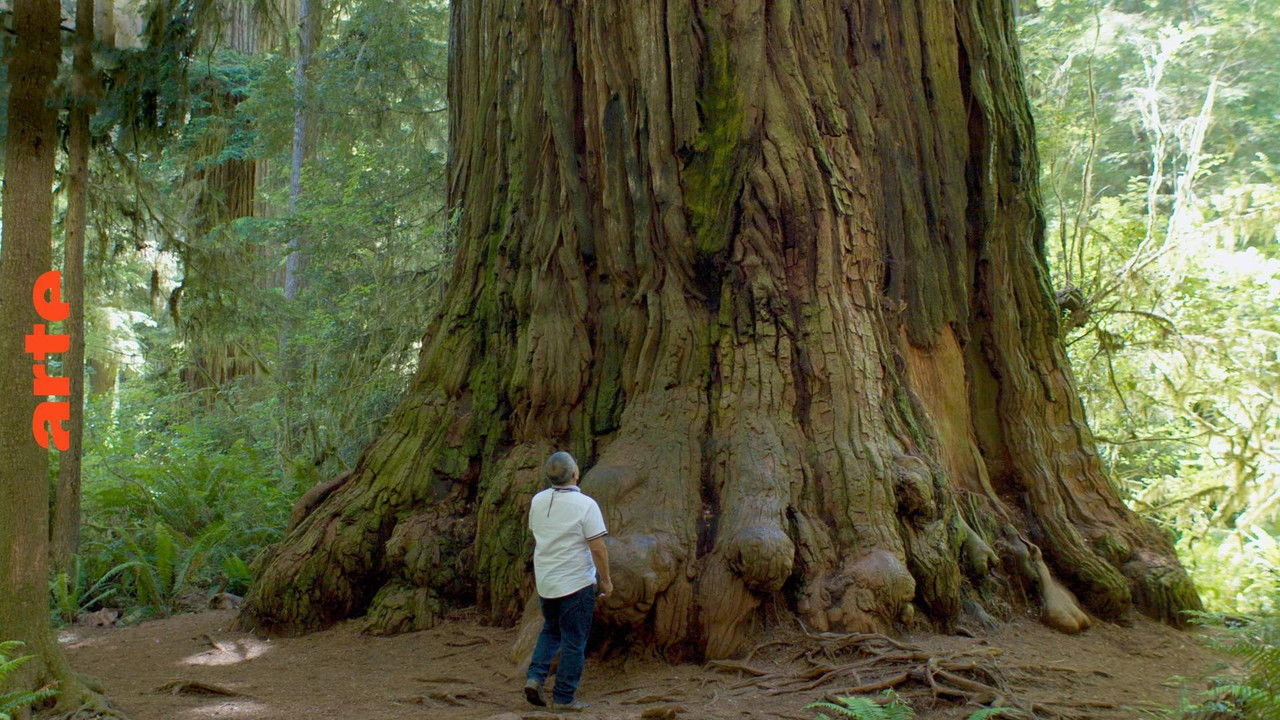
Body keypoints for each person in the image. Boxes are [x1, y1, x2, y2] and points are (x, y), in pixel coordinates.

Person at [523, 451, 613, 712]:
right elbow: (598, 548)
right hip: (576, 583)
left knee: (551, 630)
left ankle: (535, 677)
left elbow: (539, 534)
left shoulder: (538, 500)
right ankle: (563, 697)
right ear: (575, 474)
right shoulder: (586, 505)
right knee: (574, 639)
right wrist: (605, 581)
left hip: (547, 582)